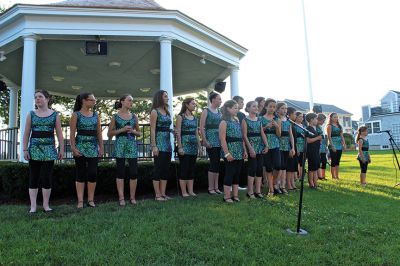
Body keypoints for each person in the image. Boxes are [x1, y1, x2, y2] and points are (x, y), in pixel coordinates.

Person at [22, 90, 64, 213]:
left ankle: (46, 205)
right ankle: (33, 206)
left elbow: (60, 134)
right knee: (33, 177)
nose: (37, 99)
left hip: (49, 150)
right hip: (34, 149)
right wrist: (25, 149)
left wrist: (61, 149)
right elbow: (26, 133)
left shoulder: (55, 115)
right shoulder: (31, 114)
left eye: (40, 97)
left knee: (46, 177)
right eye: (36, 97)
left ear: (47, 99)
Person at [70, 93, 103, 208]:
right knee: (80, 173)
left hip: (93, 148)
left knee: (93, 173)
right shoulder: (76, 115)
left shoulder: (95, 115)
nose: (94, 102)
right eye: (92, 100)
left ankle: (90, 200)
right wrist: (73, 148)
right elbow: (72, 133)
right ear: (84, 101)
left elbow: (99, 133)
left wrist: (101, 148)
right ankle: (80, 201)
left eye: (94, 100)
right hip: (80, 148)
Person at [107, 94, 141, 206]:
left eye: (132, 101)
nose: (131, 102)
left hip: (131, 145)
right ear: (122, 101)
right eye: (129, 100)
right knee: (120, 172)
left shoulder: (134, 116)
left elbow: (139, 133)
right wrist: (122, 129)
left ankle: (132, 197)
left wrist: (132, 131)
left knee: (134, 172)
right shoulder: (115, 117)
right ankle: (121, 198)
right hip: (120, 145)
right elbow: (109, 133)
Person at [219, 100, 247, 203]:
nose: (237, 109)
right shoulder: (223, 122)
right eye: (235, 108)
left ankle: (235, 195)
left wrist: (244, 150)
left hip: (239, 149)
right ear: (228, 109)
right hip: (230, 149)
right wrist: (227, 153)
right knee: (230, 173)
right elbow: (222, 139)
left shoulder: (236, 120)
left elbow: (241, 137)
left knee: (237, 173)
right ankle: (226, 196)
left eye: (237, 108)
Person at [242, 101, 269, 199]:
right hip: (251, 146)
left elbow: (262, 133)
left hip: (260, 146)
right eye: (253, 106)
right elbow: (244, 136)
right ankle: (250, 191)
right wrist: (250, 149)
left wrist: (266, 145)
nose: (256, 108)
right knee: (252, 168)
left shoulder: (259, 120)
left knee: (259, 169)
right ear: (248, 108)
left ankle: (258, 191)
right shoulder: (245, 120)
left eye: (257, 106)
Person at [150, 90, 173, 201]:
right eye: (165, 96)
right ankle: (157, 195)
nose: (167, 98)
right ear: (160, 97)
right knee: (158, 169)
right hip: (159, 144)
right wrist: (154, 146)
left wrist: (173, 131)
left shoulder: (167, 111)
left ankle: (163, 194)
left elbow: (167, 127)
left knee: (165, 170)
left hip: (168, 144)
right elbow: (153, 129)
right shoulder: (155, 111)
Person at [176, 97, 200, 197]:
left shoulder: (195, 118)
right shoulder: (180, 117)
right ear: (187, 104)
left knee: (191, 169)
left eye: (195, 104)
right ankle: (184, 192)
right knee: (184, 169)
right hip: (184, 146)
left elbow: (196, 133)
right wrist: (180, 147)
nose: (195, 105)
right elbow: (178, 133)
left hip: (193, 146)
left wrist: (199, 146)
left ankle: (190, 191)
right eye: (193, 104)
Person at [200, 92, 222, 195]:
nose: (220, 101)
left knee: (217, 163)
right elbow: (202, 127)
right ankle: (210, 188)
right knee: (213, 163)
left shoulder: (219, 111)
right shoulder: (206, 110)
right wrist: (205, 140)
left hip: (219, 140)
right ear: (213, 99)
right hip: (210, 140)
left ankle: (216, 187)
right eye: (219, 99)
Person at [260, 98, 281, 196]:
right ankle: (271, 189)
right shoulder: (260, 118)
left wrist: (277, 126)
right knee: (268, 167)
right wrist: (266, 127)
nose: (272, 108)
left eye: (274, 107)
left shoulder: (277, 119)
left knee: (278, 165)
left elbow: (279, 135)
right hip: (265, 145)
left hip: (275, 144)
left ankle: (274, 182)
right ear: (266, 107)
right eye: (270, 106)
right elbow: (259, 132)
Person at [276, 102, 295, 194]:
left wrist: (293, 148)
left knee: (284, 166)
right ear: (278, 109)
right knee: (279, 166)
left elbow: (291, 135)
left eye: (286, 108)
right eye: (282, 108)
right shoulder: (276, 119)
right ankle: (277, 185)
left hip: (286, 146)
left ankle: (283, 185)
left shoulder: (288, 121)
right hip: (278, 145)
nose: (284, 110)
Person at [326, 113, 346, 179]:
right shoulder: (329, 126)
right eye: (334, 117)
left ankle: (337, 176)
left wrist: (344, 144)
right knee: (333, 161)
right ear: (331, 118)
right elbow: (329, 137)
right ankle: (333, 176)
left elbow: (342, 136)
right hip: (332, 145)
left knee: (337, 161)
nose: (336, 118)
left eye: (337, 117)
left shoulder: (339, 126)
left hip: (339, 145)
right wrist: (332, 146)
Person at [305, 113, 322, 189]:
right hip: (311, 150)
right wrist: (318, 138)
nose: (317, 120)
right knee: (312, 168)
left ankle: (315, 183)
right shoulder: (308, 128)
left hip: (316, 150)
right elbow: (308, 140)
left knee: (315, 167)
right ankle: (311, 184)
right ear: (311, 120)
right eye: (315, 119)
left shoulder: (315, 128)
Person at [286, 107, 298, 190]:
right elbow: (288, 137)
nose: (295, 115)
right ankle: (288, 184)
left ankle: (292, 183)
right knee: (289, 167)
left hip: (294, 146)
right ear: (289, 114)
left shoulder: (293, 124)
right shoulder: (287, 123)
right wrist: (291, 148)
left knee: (293, 166)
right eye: (294, 114)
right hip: (289, 146)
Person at [316, 113, 328, 180]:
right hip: (318, 146)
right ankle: (319, 175)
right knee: (318, 161)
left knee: (324, 161)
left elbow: (322, 137)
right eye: (323, 121)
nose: (323, 122)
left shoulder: (320, 127)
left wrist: (325, 147)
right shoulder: (315, 127)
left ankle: (323, 175)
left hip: (322, 146)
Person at [294, 112, 305, 180]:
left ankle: (301, 176)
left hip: (303, 145)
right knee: (296, 162)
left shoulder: (304, 126)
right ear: (296, 117)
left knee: (302, 162)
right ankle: (296, 176)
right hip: (297, 145)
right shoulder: (294, 126)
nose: (301, 118)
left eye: (302, 116)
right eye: (300, 116)